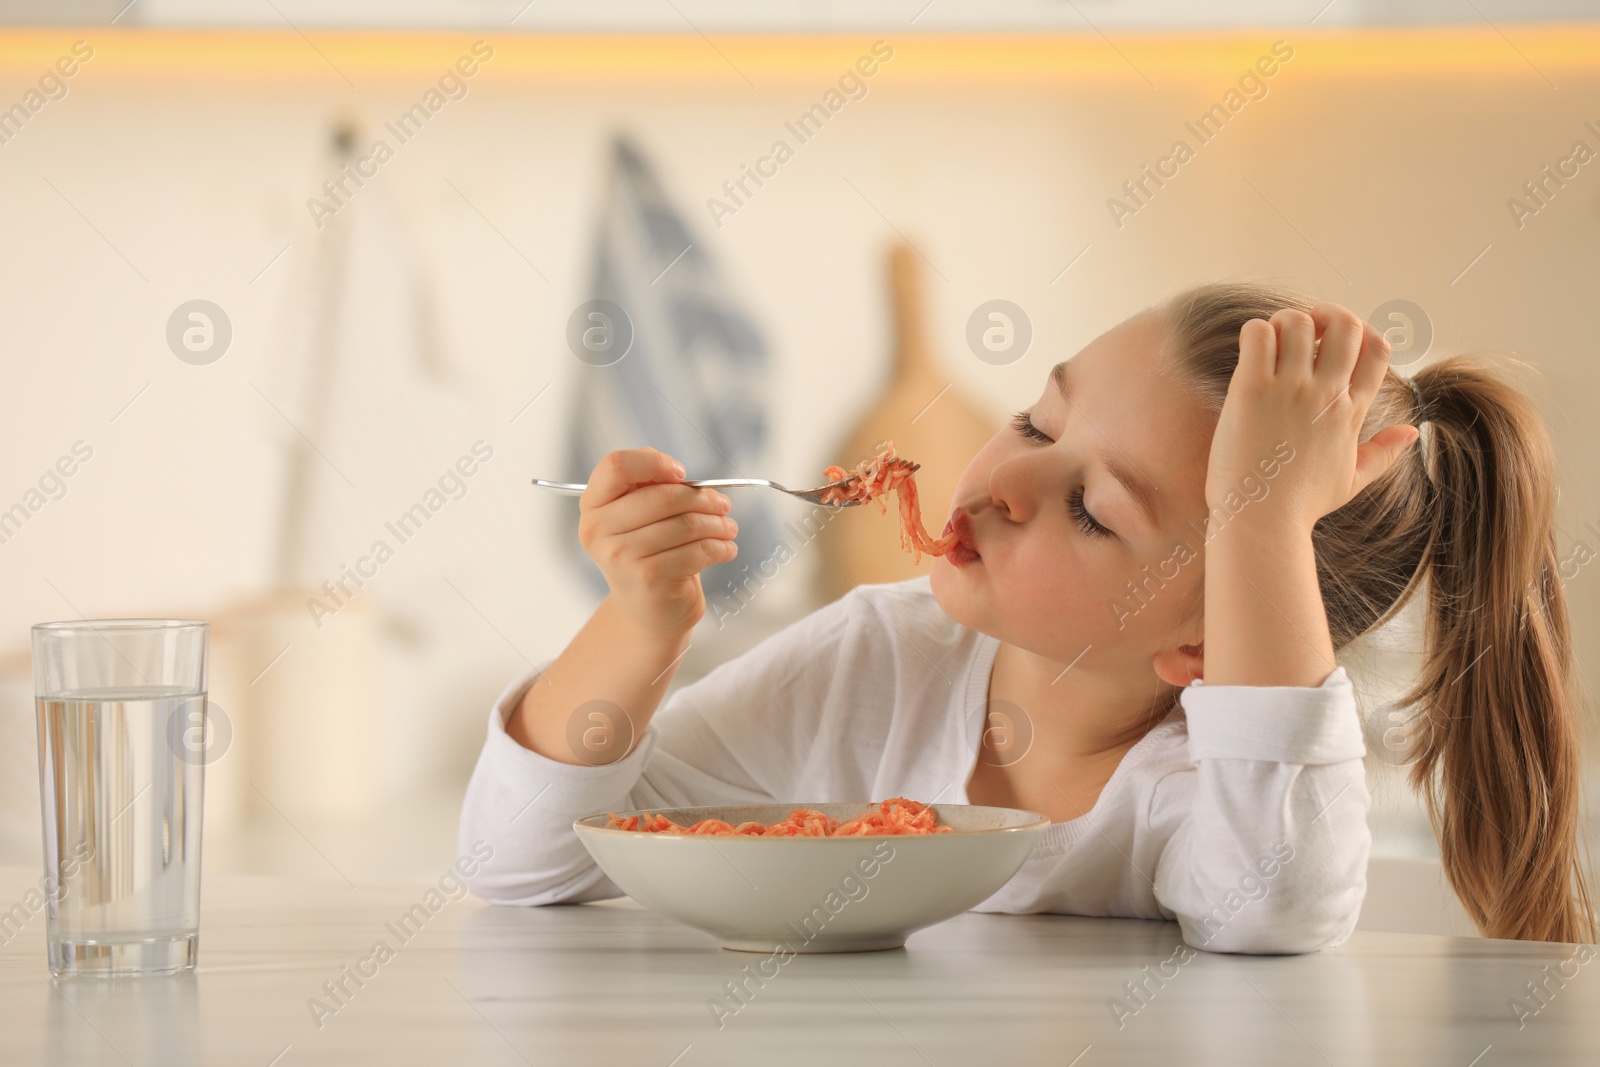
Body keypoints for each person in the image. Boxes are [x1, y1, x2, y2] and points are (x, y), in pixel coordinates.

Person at [459, 282, 1595, 951]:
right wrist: (639, 625)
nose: (1000, 483)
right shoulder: (880, 659)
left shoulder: (1203, 778)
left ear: (1203, 644)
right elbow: (520, 867)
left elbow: (1273, 912)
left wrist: (1260, 525)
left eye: (1094, 511)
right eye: (1037, 425)